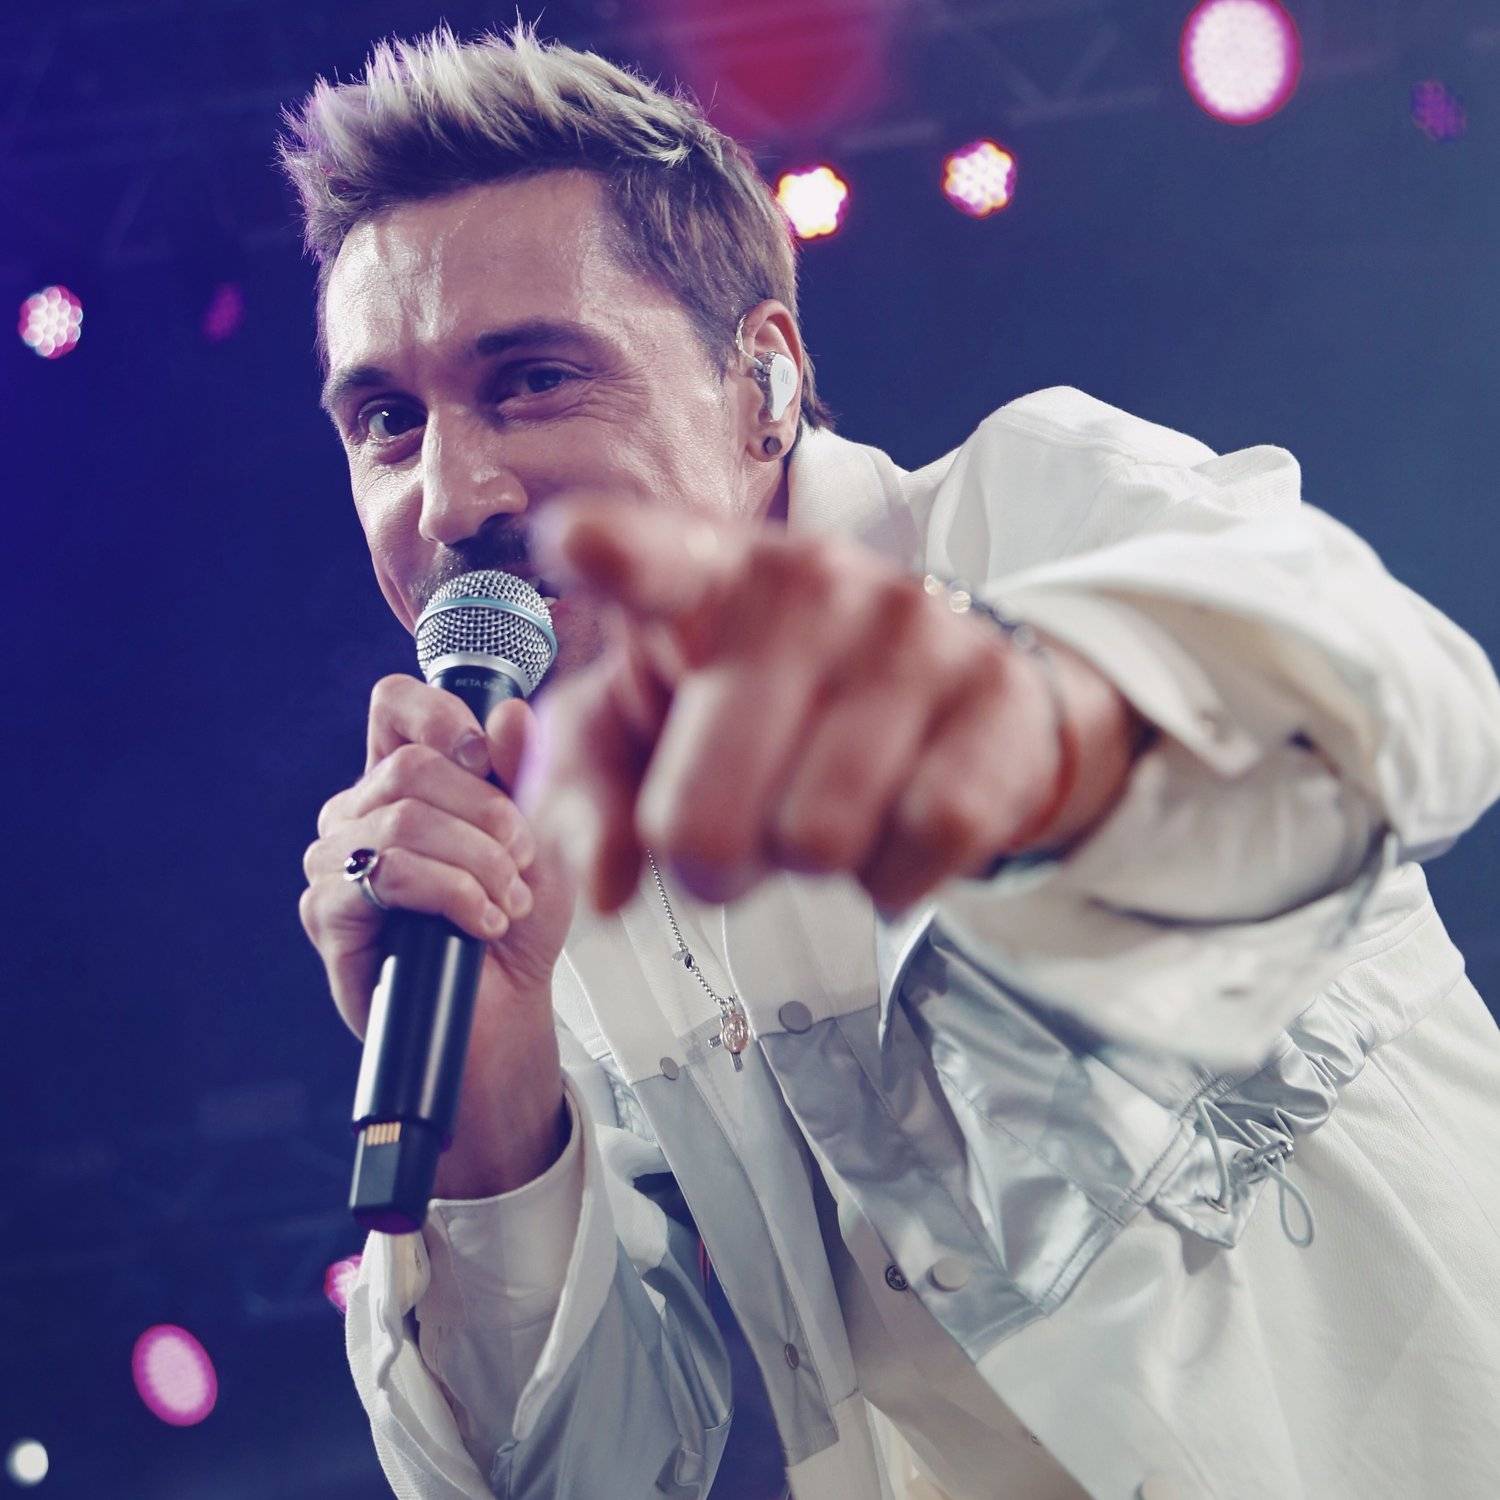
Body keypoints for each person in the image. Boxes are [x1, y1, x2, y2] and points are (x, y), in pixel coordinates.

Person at [285, 26, 1500, 1500]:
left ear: (762, 382)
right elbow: (595, 1476)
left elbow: (1414, 713)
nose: (450, 493)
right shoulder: (543, 890)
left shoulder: (1030, 515)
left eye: (536, 378)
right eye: (386, 421)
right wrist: (493, 1112)